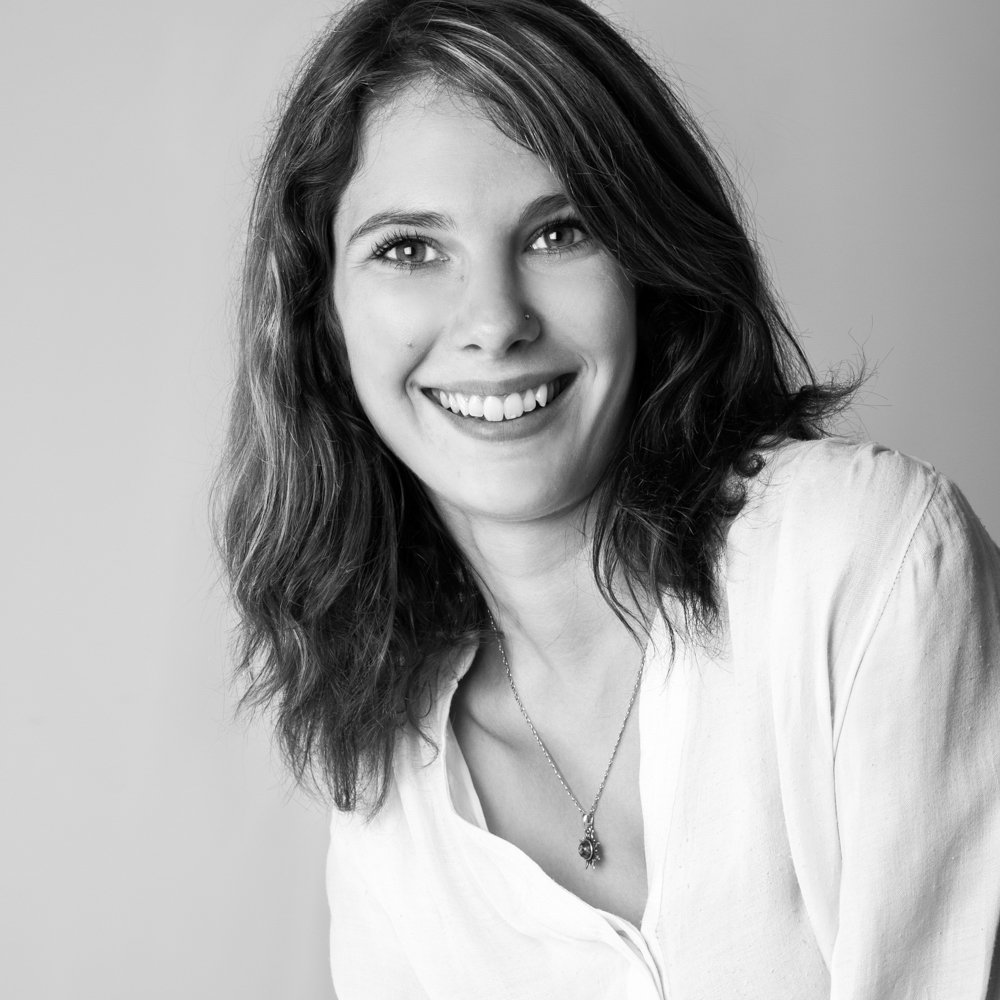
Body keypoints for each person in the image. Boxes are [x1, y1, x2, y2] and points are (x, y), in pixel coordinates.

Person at [217, 0, 1000, 995]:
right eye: (409, 249)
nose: (495, 321)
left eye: (560, 231)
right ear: (319, 318)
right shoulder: (387, 804)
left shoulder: (864, 562)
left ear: (645, 264)